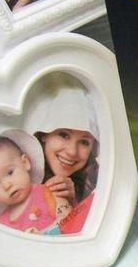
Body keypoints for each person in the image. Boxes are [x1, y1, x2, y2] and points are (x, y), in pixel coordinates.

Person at [27, 75, 100, 234]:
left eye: (84, 142)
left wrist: (74, 202)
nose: (72, 151)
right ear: (44, 134)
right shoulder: (18, 171)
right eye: (64, 135)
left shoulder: (97, 182)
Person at [0, 130, 56, 234]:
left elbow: (65, 216)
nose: (7, 186)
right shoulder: (1, 225)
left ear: (25, 163)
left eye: (10, 173)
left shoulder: (47, 192)